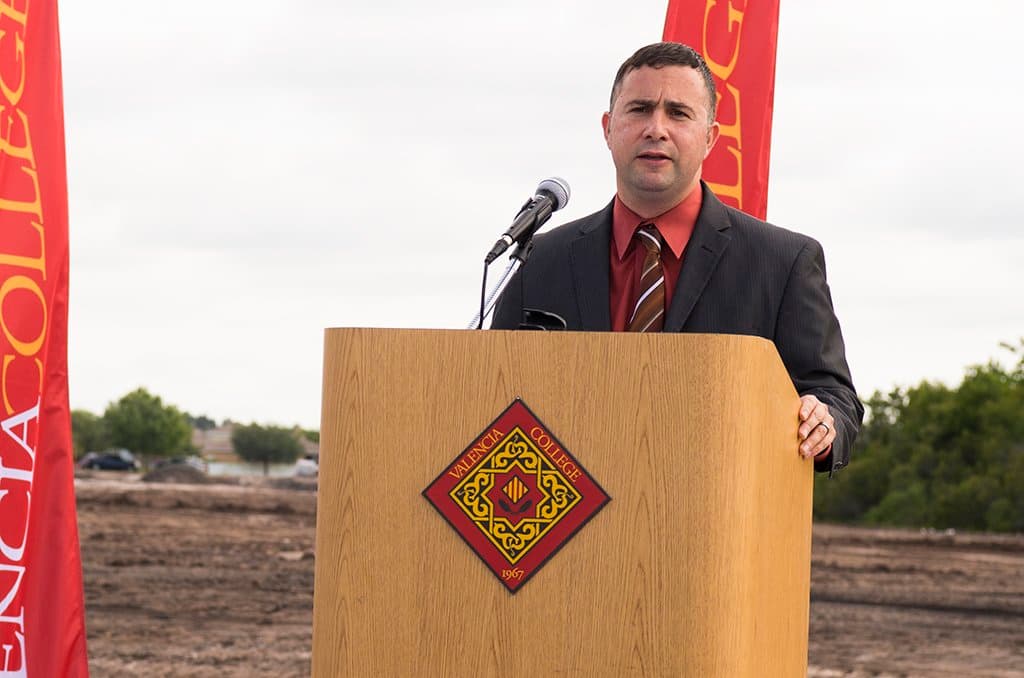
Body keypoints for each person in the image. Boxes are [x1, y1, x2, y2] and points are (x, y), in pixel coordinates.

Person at [491, 42, 863, 474]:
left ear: (710, 138)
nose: (656, 129)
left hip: (715, 503)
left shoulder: (783, 262)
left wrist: (822, 422)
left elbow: (835, 399)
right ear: (608, 129)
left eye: (678, 113)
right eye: (640, 109)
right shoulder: (539, 260)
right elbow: (493, 390)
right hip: (567, 508)